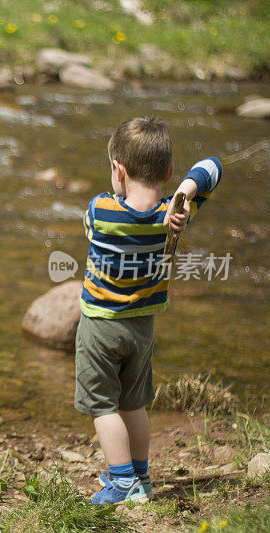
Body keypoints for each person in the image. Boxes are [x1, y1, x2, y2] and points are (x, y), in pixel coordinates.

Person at [75, 116, 223, 503]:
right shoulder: (173, 218)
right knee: (133, 403)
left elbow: (92, 225)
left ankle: (121, 482)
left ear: (118, 171)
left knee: (103, 407)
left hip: (100, 327)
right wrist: (185, 194)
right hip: (142, 329)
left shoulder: (100, 211)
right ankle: (141, 479)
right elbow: (213, 166)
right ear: (170, 171)